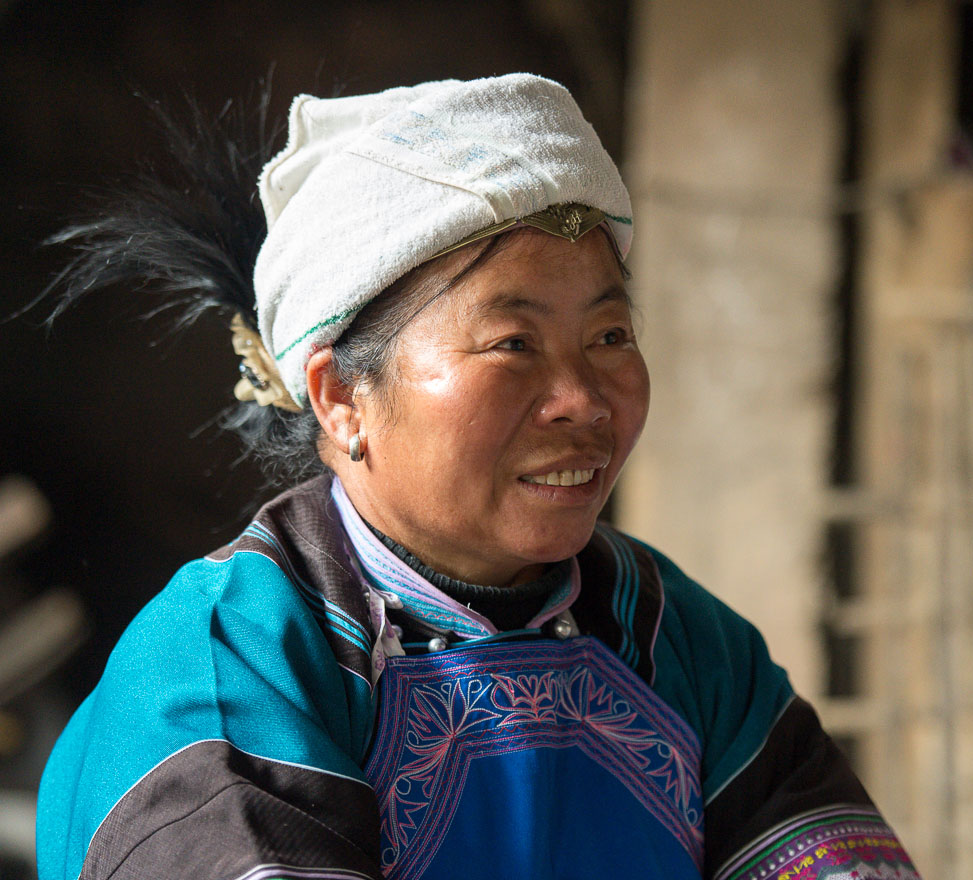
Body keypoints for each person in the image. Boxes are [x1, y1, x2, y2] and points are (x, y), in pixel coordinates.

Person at [35, 75, 921, 880]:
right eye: (512, 345)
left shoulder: (676, 637)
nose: (583, 398)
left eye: (610, 337)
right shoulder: (232, 667)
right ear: (343, 396)